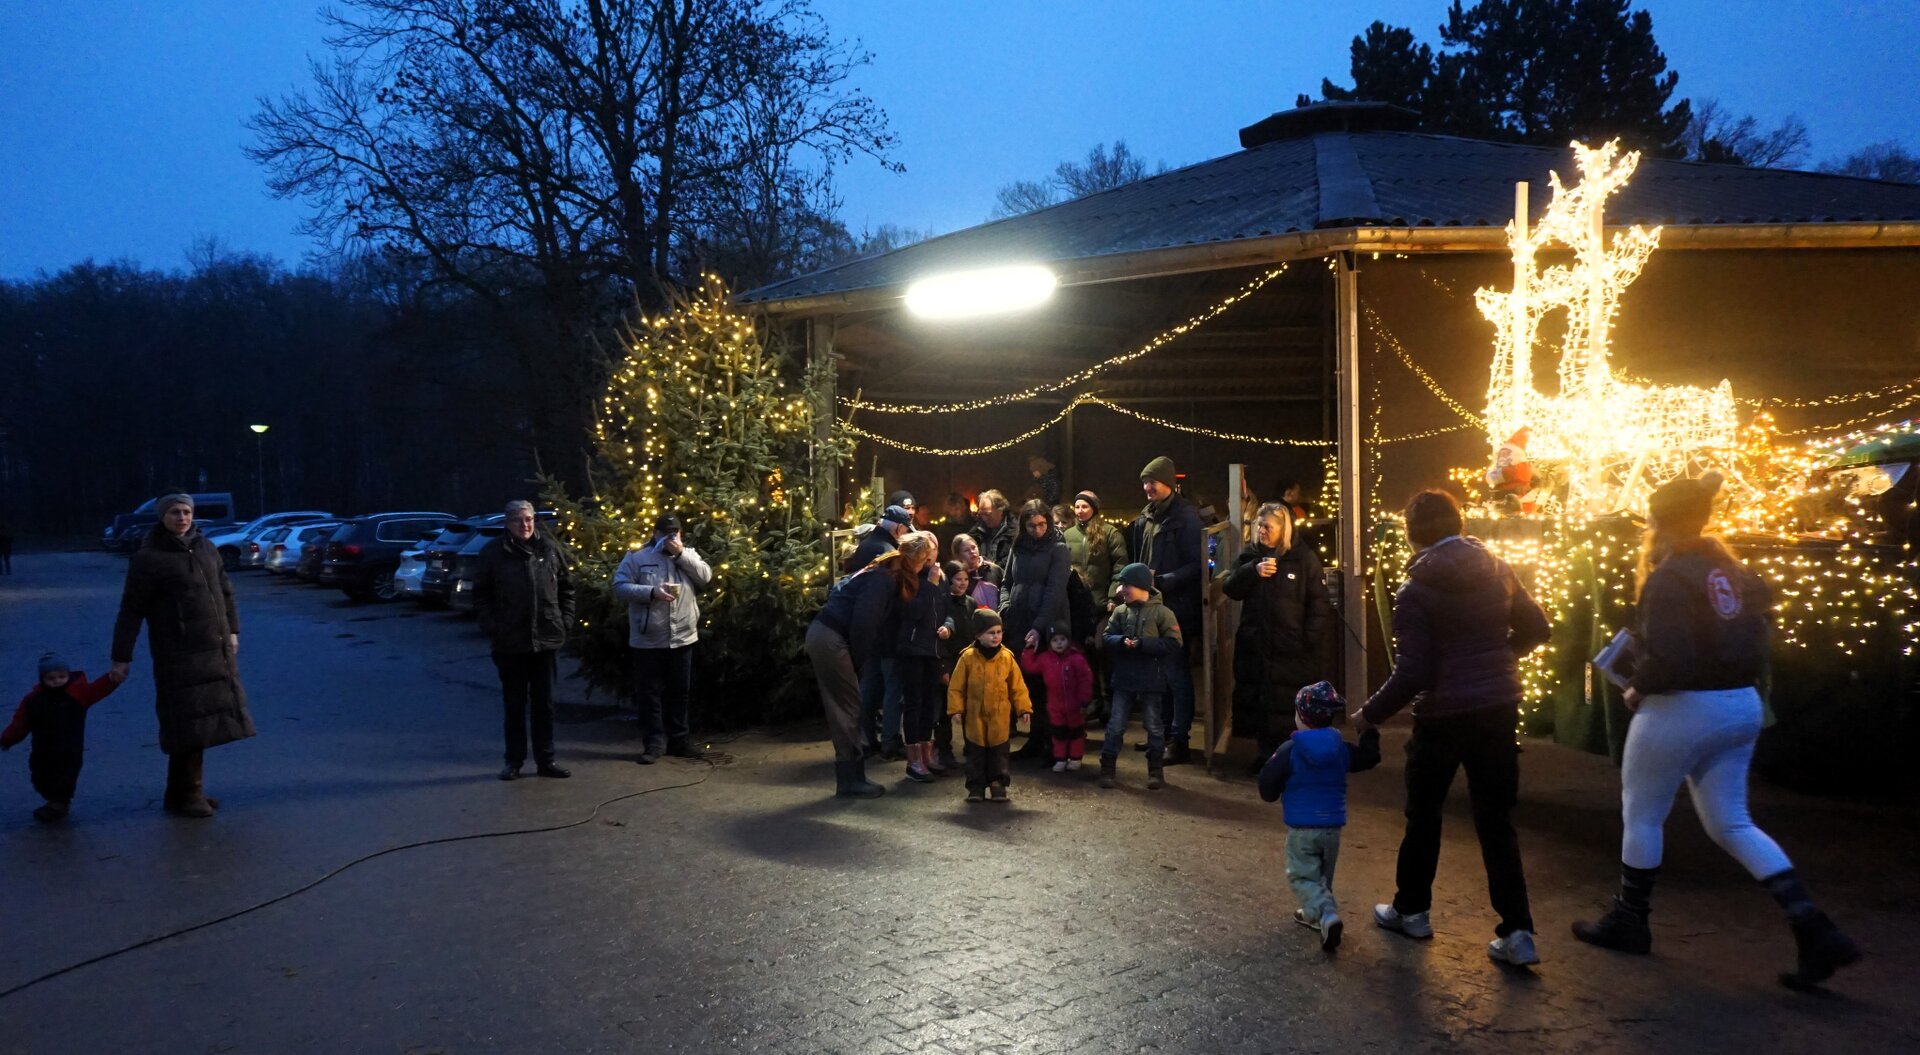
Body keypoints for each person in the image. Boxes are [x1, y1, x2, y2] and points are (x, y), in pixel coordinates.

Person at [1572, 473, 1860, 991]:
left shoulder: (1668, 577)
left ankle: (1629, 920)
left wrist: (1638, 685)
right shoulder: (1736, 571)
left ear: (1658, 520)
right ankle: (1814, 928)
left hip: (1684, 708)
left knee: (1643, 814)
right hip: (1740, 704)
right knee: (1732, 822)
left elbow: (1674, 657)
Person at [1355, 489, 1549, 967]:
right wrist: (1497, 661)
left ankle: (1411, 910)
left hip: (1441, 716)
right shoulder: (1498, 568)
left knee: (1424, 814)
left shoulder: (1415, 590)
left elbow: (1413, 672)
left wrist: (1370, 713)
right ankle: (1518, 932)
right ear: (1458, 523)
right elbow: (1538, 628)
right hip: (1498, 709)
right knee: (1496, 821)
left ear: (1412, 535)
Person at [110, 492, 256, 818]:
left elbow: (226, 592)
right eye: (175, 512)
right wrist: (121, 656)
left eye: (187, 511)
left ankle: (180, 791)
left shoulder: (206, 548)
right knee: (188, 722)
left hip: (214, 650)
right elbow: (131, 609)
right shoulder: (149, 558)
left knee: (200, 721)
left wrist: (232, 631)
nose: (182, 518)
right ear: (162, 517)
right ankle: (189, 793)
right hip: (178, 653)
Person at [807, 536, 935, 798]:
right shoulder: (883, 580)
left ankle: (854, 775)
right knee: (847, 708)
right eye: (926, 561)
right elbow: (863, 624)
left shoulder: (884, 572)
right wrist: (857, 661)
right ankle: (849, 779)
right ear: (916, 561)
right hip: (831, 638)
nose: (927, 566)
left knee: (849, 705)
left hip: (829, 636)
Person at [1257, 682, 1382, 951]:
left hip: (1302, 828)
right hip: (1332, 828)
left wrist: (1272, 793)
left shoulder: (1292, 749)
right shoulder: (1340, 748)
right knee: (1322, 877)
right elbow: (1369, 757)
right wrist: (1368, 731)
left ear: (1301, 716)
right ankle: (1314, 914)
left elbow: (1267, 782)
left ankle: (1326, 914)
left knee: (1302, 876)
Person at [1221, 503, 1331, 770]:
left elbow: (1318, 603)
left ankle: (1290, 758)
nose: (1261, 531)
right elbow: (1230, 588)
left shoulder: (1304, 559)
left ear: (1284, 529)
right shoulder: (1251, 555)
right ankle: (1267, 757)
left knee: (1287, 705)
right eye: (1259, 525)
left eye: (1267, 526)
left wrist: (1308, 640)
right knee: (1261, 704)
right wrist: (1252, 571)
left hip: (1290, 648)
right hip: (1257, 645)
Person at [473, 500, 576, 781]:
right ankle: (514, 761)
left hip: (545, 639)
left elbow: (567, 588)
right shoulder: (493, 553)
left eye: (529, 519)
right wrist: (493, 627)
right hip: (510, 642)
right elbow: (480, 595)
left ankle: (546, 760)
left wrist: (564, 622)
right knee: (515, 705)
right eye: (518, 520)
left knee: (544, 704)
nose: (525, 525)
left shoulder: (549, 549)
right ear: (508, 523)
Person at [612, 512, 713, 765]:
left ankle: (679, 741)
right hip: (648, 638)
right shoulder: (637, 557)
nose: (670, 538)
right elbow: (619, 586)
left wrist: (681, 556)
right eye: (665, 533)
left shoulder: (688, 555)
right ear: (655, 533)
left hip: (683, 636)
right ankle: (654, 743)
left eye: (675, 533)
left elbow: (706, 576)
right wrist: (651, 592)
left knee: (679, 691)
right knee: (649, 693)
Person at [1126, 456, 1205, 764]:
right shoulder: (1146, 517)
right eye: (1145, 482)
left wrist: (1162, 581)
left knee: (1176, 674)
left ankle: (1179, 739)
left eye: (1153, 482)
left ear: (1168, 484)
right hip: (1151, 606)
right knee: (1157, 675)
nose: (1148, 487)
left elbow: (1197, 565)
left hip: (1176, 608)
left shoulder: (1186, 517)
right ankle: (1160, 734)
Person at [2, 654, 121, 822]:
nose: (57, 681)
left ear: (68, 675)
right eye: (51, 678)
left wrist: (111, 679)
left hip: (69, 749)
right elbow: (20, 723)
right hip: (42, 749)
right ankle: (53, 800)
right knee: (41, 777)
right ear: (42, 679)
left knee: (65, 777)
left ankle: (59, 804)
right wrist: (7, 739)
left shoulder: (78, 694)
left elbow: (97, 689)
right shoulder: (33, 701)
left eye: (61, 676)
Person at [1100, 563, 1183, 790]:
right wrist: (1120, 641)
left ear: (1141, 585)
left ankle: (1155, 770)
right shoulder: (1120, 612)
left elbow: (1174, 642)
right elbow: (1107, 636)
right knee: (1116, 725)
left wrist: (1144, 644)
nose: (1121, 589)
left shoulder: (1163, 613)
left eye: (1126, 585)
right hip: (1124, 678)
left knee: (1154, 726)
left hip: (1151, 679)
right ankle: (1107, 767)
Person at [1000, 499, 1071, 759]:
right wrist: (1005, 607)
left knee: (1048, 686)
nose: (1037, 530)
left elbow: (1055, 592)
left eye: (1042, 524)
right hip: (1019, 620)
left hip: (1048, 623)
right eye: (1031, 526)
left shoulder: (1058, 549)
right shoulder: (1018, 546)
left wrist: (1039, 627)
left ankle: (1053, 744)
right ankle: (1035, 739)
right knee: (1029, 684)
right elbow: (1007, 581)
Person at [947, 609, 1032, 803]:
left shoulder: (1006, 658)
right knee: (975, 755)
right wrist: (956, 709)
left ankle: (998, 784)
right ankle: (976, 787)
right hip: (974, 717)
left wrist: (1023, 708)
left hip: (999, 717)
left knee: (999, 754)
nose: (996, 636)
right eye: (991, 633)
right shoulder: (967, 657)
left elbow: (1017, 686)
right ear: (978, 635)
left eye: (999, 632)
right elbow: (956, 687)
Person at [893, 538, 947, 783]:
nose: (931, 558)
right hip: (913, 648)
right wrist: (930, 585)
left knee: (928, 702)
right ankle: (913, 759)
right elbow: (914, 611)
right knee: (913, 702)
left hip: (932, 648)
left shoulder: (933, 577)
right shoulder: (905, 579)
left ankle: (926, 753)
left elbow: (943, 609)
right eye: (926, 554)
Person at [1020, 629, 1093, 771]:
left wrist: (1085, 699)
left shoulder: (1076, 658)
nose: (1059, 643)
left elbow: (1085, 679)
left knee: (1076, 732)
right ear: (1050, 643)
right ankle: (1061, 758)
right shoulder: (1045, 659)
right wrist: (1029, 648)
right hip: (1055, 706)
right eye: (1055, 640)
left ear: (1068, 641)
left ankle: (1075, 758)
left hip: (1075, 705)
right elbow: (1030, 666)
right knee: (1058, 733)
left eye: (1062, 639)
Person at [933, 560, 977, 772]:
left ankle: (972, 747)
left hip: (967, 660)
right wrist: (943, 667)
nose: (962, 583)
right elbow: (940, 638)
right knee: (945, 709)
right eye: (958, 579)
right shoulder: (942, 602)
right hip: (948, 661)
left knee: (969, 706)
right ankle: (944, 751)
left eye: (965, 579)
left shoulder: (971, 603)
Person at [843, 504, 913, 575]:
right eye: (906, 530)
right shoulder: (889, 554)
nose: (905, 534)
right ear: (900, 528)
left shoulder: (864, 543)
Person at [969, 489, 1016, 573]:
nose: (984, 518)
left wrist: (993, 568)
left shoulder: (1015, 533)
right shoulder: (975, 532)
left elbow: (1013, 562)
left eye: (988, 514)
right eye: (981, 514)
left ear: (1001, 511)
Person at [951, 533, 1001, 608]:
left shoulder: (994, 569)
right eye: (966, 550)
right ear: (957, 555)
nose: (972, 552)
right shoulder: (958, 578)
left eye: (973, 547)